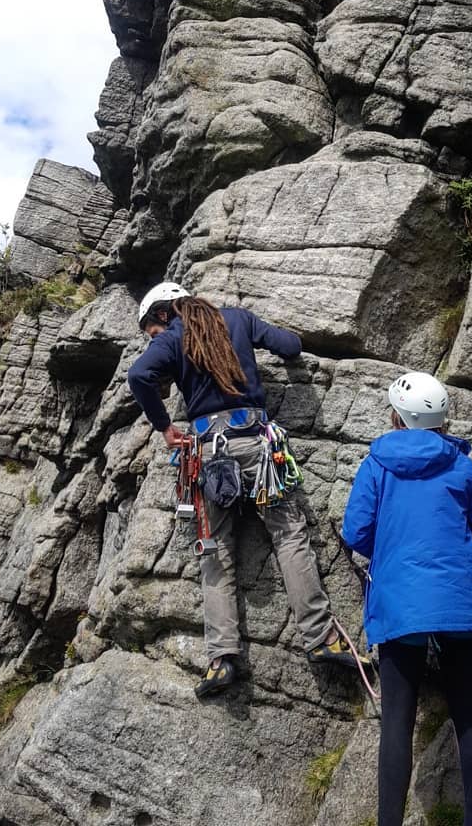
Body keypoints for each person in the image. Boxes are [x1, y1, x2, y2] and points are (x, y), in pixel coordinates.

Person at [127, 282, 361, 697]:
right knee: (289, 535)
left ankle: (221, 660)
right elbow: (290, 346)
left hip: (206, 452)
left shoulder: (172, 339)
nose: (154, 339)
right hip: (257, 444)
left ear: (163, 313)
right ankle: (321, 638)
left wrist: (164, 427)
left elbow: (138, 375)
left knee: (214, 550)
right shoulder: (236, 318)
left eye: (153, 331)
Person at [342, 372, 472, 826]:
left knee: (397, 719)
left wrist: (390, 552)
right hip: (459, 601)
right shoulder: (463, 466)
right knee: (468, 710)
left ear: (398, 416)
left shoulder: (376, 464)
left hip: (400, 602)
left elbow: (355, 532)